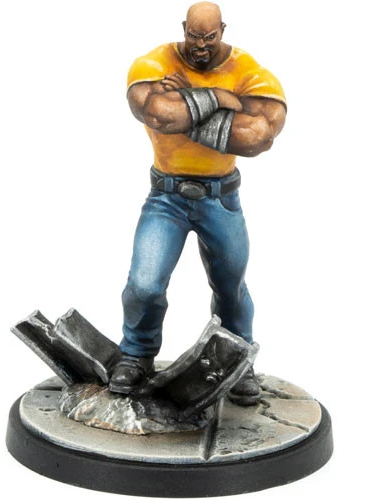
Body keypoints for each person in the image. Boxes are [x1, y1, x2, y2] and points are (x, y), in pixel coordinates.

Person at [109, 2, 286, 405]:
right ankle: (135, 355)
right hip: (166, 197)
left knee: (230, 287)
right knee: (144, 283)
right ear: (183, 29)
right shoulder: (155, 62)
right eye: (193, 35)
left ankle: (236, 360)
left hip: (221, 199)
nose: (201, 45)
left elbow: (256, 136)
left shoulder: (249, 71)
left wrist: (186, 101)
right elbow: (157, 112)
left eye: (209, 37)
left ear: (222, 30)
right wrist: (221, 98)